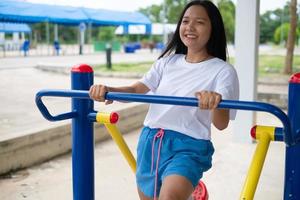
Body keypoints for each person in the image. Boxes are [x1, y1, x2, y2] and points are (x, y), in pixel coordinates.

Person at [89, 0, 239, 199]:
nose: (190, 27)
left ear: (214, 28)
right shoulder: (167, 62)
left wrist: (215, 103)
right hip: (151, 141)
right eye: (185, 21)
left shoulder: (223, 70)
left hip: (189, 147)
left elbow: (221, 124)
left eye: (200, 22)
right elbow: (136, 89)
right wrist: (109, 90)